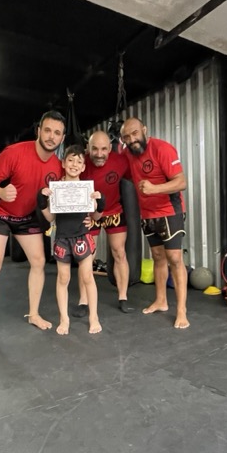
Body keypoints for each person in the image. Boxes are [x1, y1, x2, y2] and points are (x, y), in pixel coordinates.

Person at [0, 110, 66, 346]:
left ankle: (33, 314)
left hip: (27, 216)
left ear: (62, 138)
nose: (51, 136)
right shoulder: (14, 152)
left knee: (39, 262)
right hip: (0, 212)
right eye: (47, 130)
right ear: (39, 131)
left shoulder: (58, 167)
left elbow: (64, 198)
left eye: (57, 133)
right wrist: (0, 191)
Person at [120, 117, 189, 329]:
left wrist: (154, 189)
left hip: (170, 210)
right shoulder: (127, 154)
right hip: (148, 214)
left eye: (135, 133)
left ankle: (181, 310)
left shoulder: (162, 149)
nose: (132, 139)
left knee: (174, 258)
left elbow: (181, 182)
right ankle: (161, 301)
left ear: (144, 130)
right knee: (158, 257)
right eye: (126, 137)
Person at [38, 144, 105, 336]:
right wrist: (42, 202)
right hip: (62, 238)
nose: (74, 164)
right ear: (63, 163)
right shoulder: (56, 189)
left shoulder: (87, 190)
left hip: (82, 236)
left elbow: (96, 217)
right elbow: (50, 218)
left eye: (79, 162)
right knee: (63, 278)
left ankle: (94, 317)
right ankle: (64, 319)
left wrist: (100, 203)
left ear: (83, 167)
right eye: (71, 160)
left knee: (87, 277)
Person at [74, 130, 132, 315]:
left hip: (114, 211)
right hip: (90, 214)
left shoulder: (121, 161)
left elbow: (137, 176)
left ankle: (123, 297)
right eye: (95, 149)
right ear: (88, 148)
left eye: (104, 149)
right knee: (86, 258)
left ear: (110, 149)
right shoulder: (80, 163)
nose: (99, 154)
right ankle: (83, 301)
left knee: (119, 252)